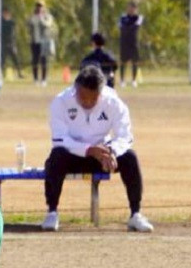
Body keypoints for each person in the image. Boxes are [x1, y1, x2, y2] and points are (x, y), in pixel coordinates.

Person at [41, 65, 153, 233]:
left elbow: (125, 136)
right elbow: (59, 139)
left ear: (101, 93)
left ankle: (135, 214)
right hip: (74, 157)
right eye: (83, 97)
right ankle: (52, 212)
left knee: (130, 157)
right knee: (56, 156)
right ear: (76, 88)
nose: (87, 102)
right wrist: (88, 149)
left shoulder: (113, 102)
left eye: (92, 99)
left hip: (103, 158)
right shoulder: (61, 102)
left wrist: (112, 151)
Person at [28, 1, 55, 84]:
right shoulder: (33, 16)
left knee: (44, 60)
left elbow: (48, 24)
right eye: (38, 6)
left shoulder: (48, 16)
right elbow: (29, 24)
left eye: (41, 6)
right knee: (35, 60)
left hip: (44, 41)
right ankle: (35, 79)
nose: (39, 8)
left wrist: (41, 18)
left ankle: (44, 79)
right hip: (34, 41)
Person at [118, 1, 143, 87]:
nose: (131, 9)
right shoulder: (122, 17)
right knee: (123, 62)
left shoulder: (138, 17)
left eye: (133, 8)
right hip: (124, 43)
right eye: (129, 7)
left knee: (135, 61)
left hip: (133, 43)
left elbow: (135, 27)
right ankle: (122, 80)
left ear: (136, 9)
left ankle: (134, 80)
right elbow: (121, 27)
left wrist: (127, 28)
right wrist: (128, 28)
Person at [0, 8, 21, 79]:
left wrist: (14, 45)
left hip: (11, 43)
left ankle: (19, 73)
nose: (5, 15)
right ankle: (1, 73)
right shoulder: (1, 22)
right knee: (2, 60)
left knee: (15, 59)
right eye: (4, 13)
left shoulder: (12, 22)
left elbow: (14, 34)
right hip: (4, 43)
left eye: (7, 13)